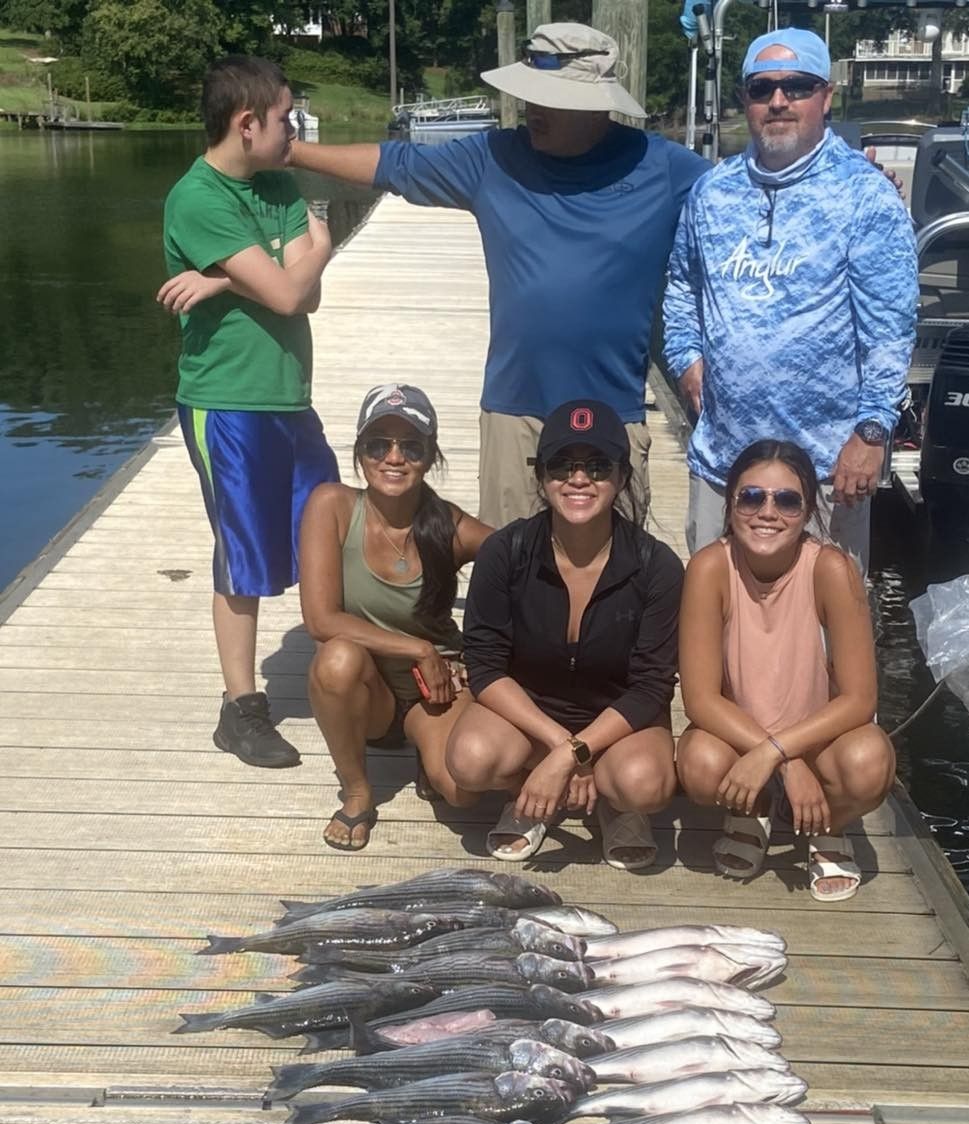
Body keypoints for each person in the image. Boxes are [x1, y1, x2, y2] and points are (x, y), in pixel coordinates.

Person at [286, 22, 712, 528]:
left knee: (612, 583)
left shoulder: (663, 168)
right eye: (527, 93)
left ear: (597, 104)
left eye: (547, 97)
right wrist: (288, 153)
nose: (531, 107)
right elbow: (395, 165)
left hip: (612, 410)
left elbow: (744, 218)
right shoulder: (493, 158)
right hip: (515, 412)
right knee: (511, 569)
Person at [664, 28, 919, 572]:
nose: (778, 101)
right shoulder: (711, 191)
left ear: (825, 97)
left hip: (828, 466)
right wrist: (687, 359)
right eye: (762, 89)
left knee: (825, 636)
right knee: (716, 622)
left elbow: (890, 329)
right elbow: (682, 287)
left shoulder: (865, 194)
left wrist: (872, 432)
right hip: (723, 462)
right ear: (746, 101)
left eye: (796, 86)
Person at [158, 55, 338, 768]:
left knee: (327, 532)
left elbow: (303, 293)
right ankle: (241, 709)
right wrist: (299, 258)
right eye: (285, 116)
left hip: (291, 398)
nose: (291, 128)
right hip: (226, 402)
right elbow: (293, 288)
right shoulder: (197, 198)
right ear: (246, 123)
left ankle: (356, 681)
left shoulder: (279, 185)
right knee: (245, 554)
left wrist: (225, 281)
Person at [445, 400, 683, 870]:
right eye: (562, 465)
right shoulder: (504, 551)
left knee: (646, 784)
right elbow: (486, 664)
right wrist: (561, 749)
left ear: (622, 477)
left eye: (598, 465)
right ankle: (529, 789)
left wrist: (582, 749)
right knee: (470, 760)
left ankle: (618, 803)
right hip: (531, 715)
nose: (579, 479)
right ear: (541, 476)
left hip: (619, 722)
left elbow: (653, 685)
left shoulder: (658, 566)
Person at [677, 439, 895, 901]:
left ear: (808, 509)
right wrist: (780, 760)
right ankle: (750, 810)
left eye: (787, 500)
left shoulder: (831, 568)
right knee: (698, 763)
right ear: (731, 501)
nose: (767, 512)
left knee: (871, 763)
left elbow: (860, 699)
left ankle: (829, 823)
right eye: (751, 497)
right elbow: (699, 699)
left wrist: (783, 751)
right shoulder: (709, 567)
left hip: (816, 738)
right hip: (741, 739)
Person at [299, 384, 492, 851]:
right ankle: (357, 791)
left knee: (464, 791)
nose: (393, 457)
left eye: (410, 445)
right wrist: (417, 648)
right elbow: (321, 619)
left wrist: (487, 661)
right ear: (360, 454)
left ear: (430, 456)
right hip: (369, 692)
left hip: (437, 690)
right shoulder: (333, 505)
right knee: (335, 659)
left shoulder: (451, 524)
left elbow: (531, 560)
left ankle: (428, 757)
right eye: (377, 444)